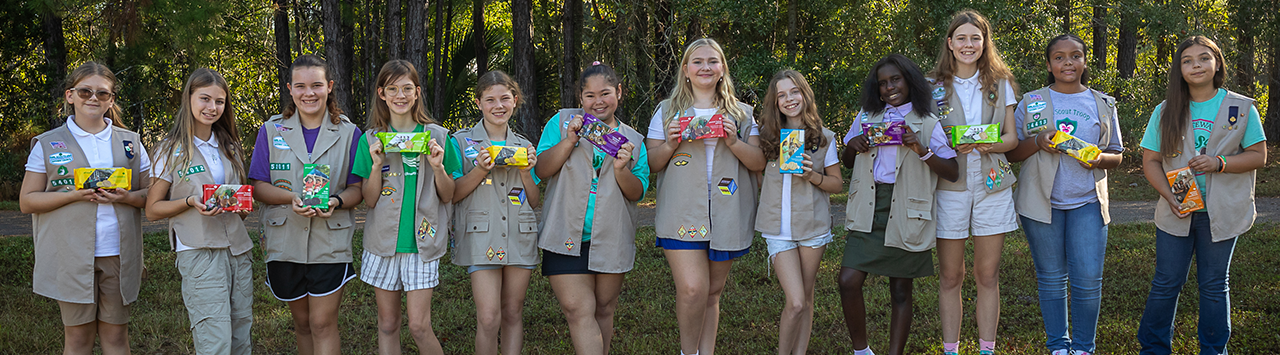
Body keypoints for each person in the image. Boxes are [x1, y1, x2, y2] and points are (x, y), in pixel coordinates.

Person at [1136, 35, 1267, 355]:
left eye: (1204, 58)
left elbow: (1258, 155)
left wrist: (1219, 163)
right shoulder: (1165, 110)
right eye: (1187, 60)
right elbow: (1150, 161)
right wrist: (1169, 196)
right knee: (1166, 283)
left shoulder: (1240, 106)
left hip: (1222, 212)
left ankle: (1213, 350)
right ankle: (1153, 349)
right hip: (1178, 210)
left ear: (1217, 63)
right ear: (1179, 69)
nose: (1196, 65)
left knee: (1213, 285)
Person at [1004, 34, 1124, 355]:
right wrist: (1038, 141)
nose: (1067, 63)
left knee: (1087, 280)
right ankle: (1059, 346)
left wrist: (1100, 159)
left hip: (1088, 201)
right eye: (1059, 57)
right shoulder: (1032, 102)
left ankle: (1083, 348)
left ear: (1085, 61)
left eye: (1074, 56)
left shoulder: (1103, 103)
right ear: (1049, 64)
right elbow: (1011, 152)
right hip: (1040, 203)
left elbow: (1117, 154)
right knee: (1052, 278)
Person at [20, 61, 150, 355]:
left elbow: (151, 195)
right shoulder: (48, 144)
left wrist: (126, 197)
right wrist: (73, 195)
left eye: (102, 94)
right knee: (78, 340)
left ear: (111, 99)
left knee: (116, 338)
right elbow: (27, 201)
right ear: (70, 95)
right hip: (70, 255)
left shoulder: (130, 143)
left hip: (117, 253)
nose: (93, 98)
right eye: (85, 91)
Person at [645, 38, 765, 355]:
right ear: (685, 70)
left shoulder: (742, 114)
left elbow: (758, 162)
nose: (705, 67)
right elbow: (652, 164)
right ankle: (689, 352)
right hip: (682, 211)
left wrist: (734, 140)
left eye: (713, 61)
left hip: (727, 211)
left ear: (722, 68)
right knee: (692, 288)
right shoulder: (667, 111)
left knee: (712, 292)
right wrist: (670, 143)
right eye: (697, 62)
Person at [839, 54, 959, 355]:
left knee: (901, 289)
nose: (889, 87)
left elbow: (953, 171)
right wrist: (852, 147)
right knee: (848, 280)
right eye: (882, 83)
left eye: (895, 79)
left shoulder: (928, 122)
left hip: (907, 207)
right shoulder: (867, 116)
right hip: (870, 205)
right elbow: (848, 161)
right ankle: (862, 350)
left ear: (909, 81)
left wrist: (920, 148)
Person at [249, 54, 364, 355]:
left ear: (329, 86)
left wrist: (336, 201)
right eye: (300, 86)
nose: (308, 93)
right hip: (285, 240)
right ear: (290, 88)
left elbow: (357, 189)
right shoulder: (271, 131)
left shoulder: (350, 134)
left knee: (323, 323)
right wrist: (291, 198)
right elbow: (258, 185)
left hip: (330, 240)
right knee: (302, 323)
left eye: (316, 85)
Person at [535, 61, 650, 354]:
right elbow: (542, 169)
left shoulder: (633, 140)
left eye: (605, 93)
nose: (598, 101)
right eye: (590, 95)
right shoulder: (561, 123)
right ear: (580, 98)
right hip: (564, 236)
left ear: (619, 92)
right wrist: (569, 140)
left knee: (603, 310)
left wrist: (623, 168)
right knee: (578, 309)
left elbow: (637, 192)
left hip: (611, 237)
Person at [927, 10, 1021, 355]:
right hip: (949, 186)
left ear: (985, 43)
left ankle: (986, 349)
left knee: (987, 275)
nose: (969, 45)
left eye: (976, 38)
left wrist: (989, 145)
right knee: (951, 276)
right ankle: (950, 349)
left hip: (992, 185)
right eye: (962, 38)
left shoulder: (1002, 84)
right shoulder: (931, 87)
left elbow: (1011, 139)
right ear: (950, 43)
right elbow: (925, 138)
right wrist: (950, 144)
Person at [145, 68, 254, 354]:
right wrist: (190, 202)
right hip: (199, 251)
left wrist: (239, 203)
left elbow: (241, 207)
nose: (212, 107)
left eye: (219, 101)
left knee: (241, 336)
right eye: (204, 99)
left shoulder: (230, 146)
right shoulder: (169, 150)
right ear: (189, 99)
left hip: (238, 250)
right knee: (214, 339)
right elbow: (153, 209)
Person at [352, 60, 455, 355]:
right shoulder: (370, 139)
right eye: (393, 89)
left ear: (418, 92)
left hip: (422, 244)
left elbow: (449, 195)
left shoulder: (438, 137)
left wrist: (437, 168)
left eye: (407, 88)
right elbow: (369, 200)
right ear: (382, 93)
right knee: (387, 324)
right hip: (382, 243)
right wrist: (375, 166)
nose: (401, 95)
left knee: (419, 326)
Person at [449, 70, 541, 355]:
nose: (498, 106)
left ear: (515, 101)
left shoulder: (524, 145)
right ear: (479, 103)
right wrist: (480, 168)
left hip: (519, 235)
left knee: (512, 313)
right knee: (488, 318)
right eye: (490, 100)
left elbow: (534, 201)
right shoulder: (461, 142)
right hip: (481, 238)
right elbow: (453, 193)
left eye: (505, 99)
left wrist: (527, 173)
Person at [755, 69, 843, 355]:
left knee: (806, 297)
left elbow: (837, 184)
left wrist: (812, 176)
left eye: (794, 92)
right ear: (775, 102)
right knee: (794, 301)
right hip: (777, 226)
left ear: (805, 94)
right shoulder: (765, 136)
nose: (789, 99)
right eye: (782, 95)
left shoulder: (824, 137)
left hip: (812, 226)